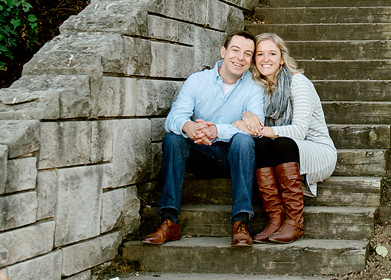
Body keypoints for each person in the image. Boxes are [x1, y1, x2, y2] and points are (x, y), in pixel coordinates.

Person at [141, 30, 265, 248]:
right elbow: (174, 117)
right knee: (173, 139)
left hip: (232, 157)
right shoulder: (197, 80)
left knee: (244, 140)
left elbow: (254, 127)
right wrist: (188, 126)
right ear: (223, 51)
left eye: (248, 54)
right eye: (235, 50)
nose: (240, 58)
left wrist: (216, 130)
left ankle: (240, 222)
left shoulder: (254, 87)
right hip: (200, 154)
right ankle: (169, 220)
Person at [233, 33, 337, 243]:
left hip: (316, 152)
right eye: (260, 54)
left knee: (277, 141)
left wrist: (258, 129)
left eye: (272, 53)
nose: (265, 59)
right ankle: (275, 217)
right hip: (282, 152)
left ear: (282, 58)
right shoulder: (257, 88)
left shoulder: (298, 83)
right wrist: (246, 114)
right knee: (262, 144)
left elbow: (298, 131)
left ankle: (295, 221)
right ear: (254, 60)